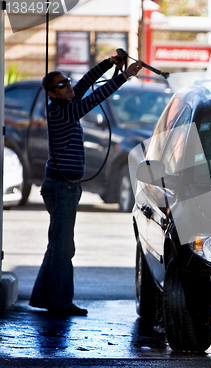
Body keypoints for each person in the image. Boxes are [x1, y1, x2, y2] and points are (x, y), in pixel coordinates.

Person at [29, 55, 143, 316]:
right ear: (50, 93)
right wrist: (123, 77)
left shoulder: (65, 101)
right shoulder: (62, 111)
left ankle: (42, 296)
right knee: (63, 246)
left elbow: (87, 81)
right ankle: (60, 302)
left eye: (66, 82)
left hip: (64, 186)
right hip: (61, 188)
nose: (68, 86)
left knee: (58, 244)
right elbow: (94, 98)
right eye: (60, 85)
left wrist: (109, 62)